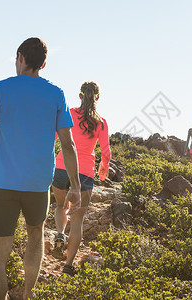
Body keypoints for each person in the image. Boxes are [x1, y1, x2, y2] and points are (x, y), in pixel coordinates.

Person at [0, 37, 81, 300]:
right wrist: (75, 185)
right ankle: (28, 294)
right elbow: (68, 143)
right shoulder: (56, 94)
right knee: (35, 234)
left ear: (19, 57)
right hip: (38, 184)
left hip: (4, 183)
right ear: (43, 64)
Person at [51, 81, 111, 276]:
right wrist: (104, 167)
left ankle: (60, 232)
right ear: (98, 98)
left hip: (61, 167)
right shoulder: (101, 122)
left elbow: (53, 137)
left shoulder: (68, 113)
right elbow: (106, 151)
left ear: (80, 96)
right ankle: (68, 265)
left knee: (60, 206)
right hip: (85, 174)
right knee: (77, 219)